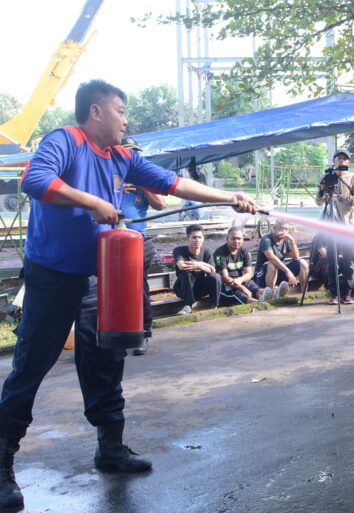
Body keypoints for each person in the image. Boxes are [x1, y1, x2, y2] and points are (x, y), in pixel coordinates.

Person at [0, 79, 259, 509]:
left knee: (105, 357)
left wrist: (229, 197)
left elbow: (173, 183)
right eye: (121, 110)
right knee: (32, 362)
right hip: (51, 275)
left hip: (97, 275)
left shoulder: (123, 156)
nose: (126, 119)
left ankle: (110, 448)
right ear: (97, 112)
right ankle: (3, 462)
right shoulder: (66, 140)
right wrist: (92, 202)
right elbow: (35, 180)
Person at [119, 136, 166, 356]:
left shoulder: (143, 180)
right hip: (109, 242)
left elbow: (160, 203)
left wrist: (143, 185)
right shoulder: (109, 176)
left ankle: (142, 333)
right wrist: (117, 186)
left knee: (139, 289)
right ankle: (114, 334)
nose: (132, 157)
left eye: (134, 153)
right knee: (106, 290)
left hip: (136, 241)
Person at [315, 149, 354, 305]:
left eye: (344, 158)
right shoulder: (327, 177)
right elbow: (319, 201)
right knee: (332, 261)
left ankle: (347, 294)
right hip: (331, 227)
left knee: (349, 262)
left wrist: (340, 197)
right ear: (334, 161)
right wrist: (323, 189)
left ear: (348, 162)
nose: (341, 161)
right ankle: (334, 294)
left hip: (349, 226)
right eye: (338, 158)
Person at [172, 224, 222, 315]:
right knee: (187, 272)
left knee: (216, 276)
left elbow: (213, 270)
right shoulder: (179, 250)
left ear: (203, 238)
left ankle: (214, 306)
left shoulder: (207, 251)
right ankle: (188, 305)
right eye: (194, 237)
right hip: (183, 288)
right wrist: (205, 266)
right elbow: (182, 266)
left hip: (200, 287)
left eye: (200, 237)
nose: (197, 240)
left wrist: (199, 264)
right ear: (188, 239)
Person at [255, 220, 308, 298]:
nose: (283, 231)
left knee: (302, 263)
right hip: (262, 274)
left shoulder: (286, 240)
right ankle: (270, 296)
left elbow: (296, 258)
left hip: (278, 272)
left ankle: (304, 295)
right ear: (274, 228)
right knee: (272, 264)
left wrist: (292, 241)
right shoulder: (266, 239)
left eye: (286, 229)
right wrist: (288, 271)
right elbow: (271, 258)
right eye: (281, 228)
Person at [213, 227, 262, 304]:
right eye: (233, 238)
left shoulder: (244, 251)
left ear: (243, 240)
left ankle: (270, 297)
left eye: (239, 239)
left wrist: (240, 280)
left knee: (257, 290)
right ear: (227, 239)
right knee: (244, 297)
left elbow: (249, 274)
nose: (236, 241)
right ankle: (262, 304)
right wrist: (242, 288)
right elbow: (225, 277)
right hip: (227, 285)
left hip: (240, 280)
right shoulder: (220, 253)